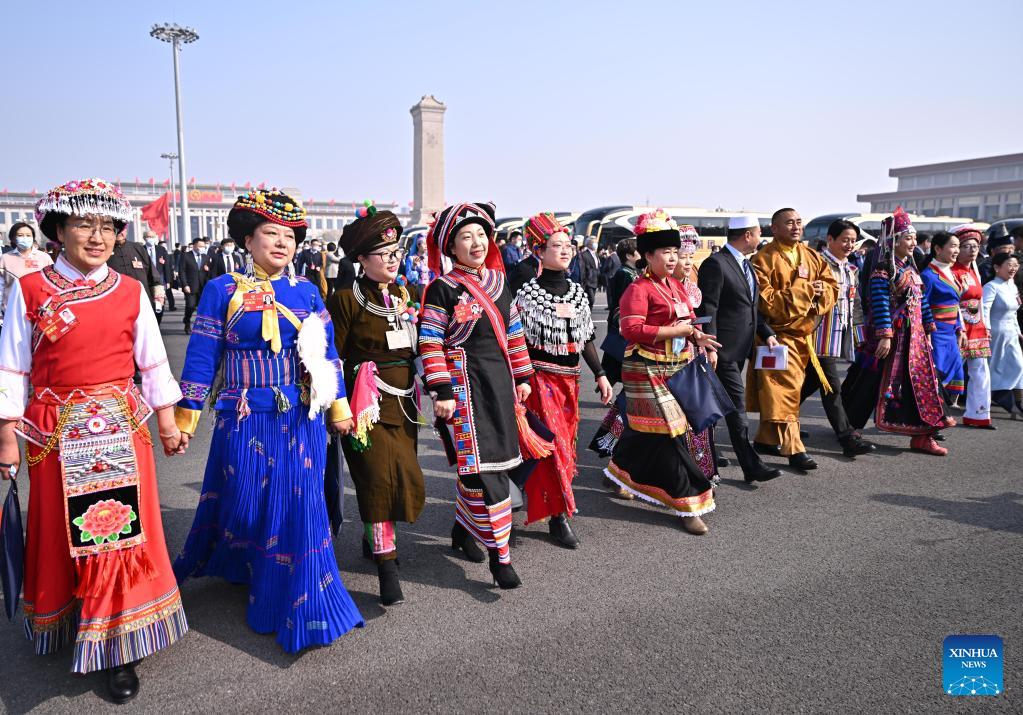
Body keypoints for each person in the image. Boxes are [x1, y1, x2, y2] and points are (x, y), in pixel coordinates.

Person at [0, 178, 187, 703]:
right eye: (84, 224)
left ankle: (119, 643)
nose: (97, 236)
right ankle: (71, 615)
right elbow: (12, 366)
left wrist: (168, 423)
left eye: (107, 226)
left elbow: (152, 360)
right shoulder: (30, 290)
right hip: (55, 430)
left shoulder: (129, 290)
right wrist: (6, 437)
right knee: (63, 531)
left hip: (120, 428)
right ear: (59, 231)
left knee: (118, 535)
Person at [172, 188, 363, 651]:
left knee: (301, 505)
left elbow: (327, 356)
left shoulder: (308, 292)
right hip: (243, 417)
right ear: (248, 240)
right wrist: (184, 419)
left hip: (300, 418)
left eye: (289, 236)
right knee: (246, 500)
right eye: (270, 233)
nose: (281, 243)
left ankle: (305, 597)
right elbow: (201, 357)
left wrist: (339, 408)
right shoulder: (223, 290)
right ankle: (247, 563)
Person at [419, 202, 533, 589]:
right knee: (484, 471)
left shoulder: (500, 282)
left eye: (481, 234)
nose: (476, 242)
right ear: (451, 247)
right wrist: (441, 390)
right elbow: (430, 342)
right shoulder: (443, 289)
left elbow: (514, 333)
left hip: (499, 385)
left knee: (493, 465)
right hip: (464, 388)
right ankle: (501, 557)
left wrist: (523, 375)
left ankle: (462, 529)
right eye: (466, 236)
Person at [326, 209, 425, 606]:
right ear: (362, 259)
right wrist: (339, 408)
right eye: (383, 253)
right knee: (377, 482)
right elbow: (332, 358)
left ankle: (374, 539)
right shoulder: (346, 299)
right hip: (365, 406)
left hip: (404, 402)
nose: (392, 259)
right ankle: (387, 568)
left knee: (403, 477)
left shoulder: (404, 295)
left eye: (396, 251)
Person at [605, 210, 722, 535]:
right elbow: (630, 329)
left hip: (678, 367)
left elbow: (687, 322)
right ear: (648, 256)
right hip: (645, 368)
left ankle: (617, 470)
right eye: (666, 252)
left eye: (675, 252)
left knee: (648, 431)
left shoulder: (676, 287)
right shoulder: (638, 289)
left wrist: (697, 337)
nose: (673, 258)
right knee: (671, 432)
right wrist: (677, 331)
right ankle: (688, 503)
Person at [515, 213, 612, 549]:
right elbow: (515, 342)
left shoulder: (577, 292)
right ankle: (559, 517)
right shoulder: (527, 294)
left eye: (568, 245)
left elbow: (586, 338)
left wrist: (600, 374)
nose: (566, 250)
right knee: (550, 446)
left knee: (567, 447)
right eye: (557, 245)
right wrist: (520, 378)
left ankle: (550, 506)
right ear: (539, 252)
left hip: (570, 382)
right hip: (538, 381)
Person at [841, 208, 953, 455]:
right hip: (891, 338)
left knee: (923, 383)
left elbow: (922, 302)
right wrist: (885, 335)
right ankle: (850, 428)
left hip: (915, 340)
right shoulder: (883, 270)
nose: (913, 243)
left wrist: (928, 330)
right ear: (894, 241)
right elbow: (879, 303)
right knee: (869, 382)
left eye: (913, 238)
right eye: (907, 238)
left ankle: (924, 435)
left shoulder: (911, 269)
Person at [747, 208, 839, 471]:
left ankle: (766, 438)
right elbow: (766, 302)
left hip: (802, 336)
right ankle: (794, 448)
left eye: (799, 222)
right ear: (774, 228)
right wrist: (807, 290)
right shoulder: (762, 260)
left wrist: (821, 291)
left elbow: (831, 286)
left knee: (784, 390)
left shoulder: (812, 256)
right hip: (775, 338)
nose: (796, 227)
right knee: (786, 391)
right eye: (789, 223)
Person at [696, 216, 785, 483]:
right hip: (722, 351)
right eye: (758, 233)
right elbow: (708, 308)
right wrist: (711, 345)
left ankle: (704, 457)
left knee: (715, 406)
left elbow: (750, 307)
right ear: (747, 235)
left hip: (740, 350)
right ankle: (751, 465)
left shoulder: (746, 264)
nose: (760, 237)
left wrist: (767, 334)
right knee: (737, 409)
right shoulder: (716, 263)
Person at [800, 219, 875, 456]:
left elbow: (856, 304)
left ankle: (779, 421)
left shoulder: (851, 269)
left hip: (837, 337)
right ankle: (847, 438)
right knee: (832, 387)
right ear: (830, 239)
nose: (849, 245)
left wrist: (859, 335)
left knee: (810, 383)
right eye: (844, 240)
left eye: (853, 241)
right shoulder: (816, 264)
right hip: (817, 337)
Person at [950, 225, 994, 428]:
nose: (972, 250)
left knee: (980, 371)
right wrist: (959, 327)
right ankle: (931, 414)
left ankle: (979, 415)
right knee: (946, 371)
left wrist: (986, 327)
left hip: (977, 328)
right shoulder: (951, 272)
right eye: (966, 246)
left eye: (975, 246)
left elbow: (981, 303)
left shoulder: (975, 271)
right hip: (957, 328)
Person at [919, 232, 966, 405]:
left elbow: (955, 305)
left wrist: (959, 328)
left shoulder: (951, 272)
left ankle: (939, 412)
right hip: (936, 334)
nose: (957, 250)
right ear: (938, 249)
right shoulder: (928, 275)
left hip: (950, 333)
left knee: (954, 373)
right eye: (953, 246)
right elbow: (922, 308)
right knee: (935, 375)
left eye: (958, 246)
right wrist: (927, 334)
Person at [983, 253, 1023, 418]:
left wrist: (1018, 330)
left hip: (1011, 333)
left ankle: (1018, 402)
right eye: (1009, 265)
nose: (1013, 268)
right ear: (997, 267)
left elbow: (1014, 312)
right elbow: (984, 309)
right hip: (996, 332)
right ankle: (994, 397)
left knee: (1018, 365)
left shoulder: (1012, 286)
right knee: (995, 367)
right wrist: (986, 329)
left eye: (1015, 265)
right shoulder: (991, 286)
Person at [107, 228, 166, 322]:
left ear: (126, 231)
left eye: (123, 229)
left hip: (142, 302)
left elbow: (152, 272)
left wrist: (158, 293)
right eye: (117, 229)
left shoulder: (137, 248)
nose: (120, 232)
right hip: (116, 305)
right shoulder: (105, 250)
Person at [1, 222, 53, 327]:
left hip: (41, 312)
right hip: (13, 313)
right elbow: (1, 288)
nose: (25, 238)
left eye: (28, 235)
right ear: (13, 238)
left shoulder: (44, 257)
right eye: (20, 235)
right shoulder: (5, 259)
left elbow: (52, 283)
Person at [180, 237, 210, 333]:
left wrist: (207, 270)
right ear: (194, 246)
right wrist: (185, 285)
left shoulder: (206, 257)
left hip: (203, 287)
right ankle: (187, 321)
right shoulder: (186, 256)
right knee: (190, 306)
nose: (202, 248)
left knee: (203, 307)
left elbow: (208, 272)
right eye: (200, 246)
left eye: (203, 246)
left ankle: (201, 325)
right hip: (190, 286)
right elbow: (182, 271)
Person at [574, 237, 600, 307]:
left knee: (591, 301)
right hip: (588, 281)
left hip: (595, 280)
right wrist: (584, 280)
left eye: (596, 242)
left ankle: (589, 311)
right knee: (591, 300)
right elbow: (583, 268)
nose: (596, 244)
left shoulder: (596, 254)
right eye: (594, 243)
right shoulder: (584, 254)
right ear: (588, 244)